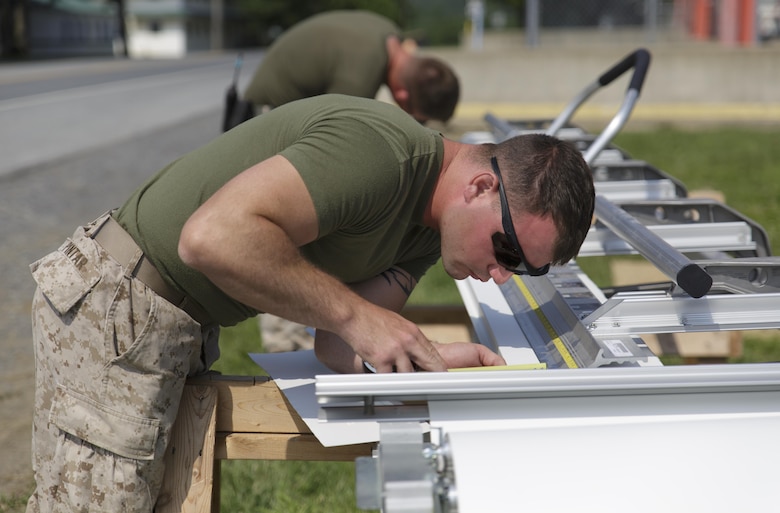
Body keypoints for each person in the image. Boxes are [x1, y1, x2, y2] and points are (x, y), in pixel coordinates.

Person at [27, 94, 595, 511]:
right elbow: (210, 238)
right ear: (480, 187)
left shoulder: (427, 235)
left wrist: (427, 357)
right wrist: (358, 315)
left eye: (521, 267)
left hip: (172, 322)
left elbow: (336, 344)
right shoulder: (381, 153)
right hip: (119, 302)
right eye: (506, 248)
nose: (499, 274)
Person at [228, 10, 460, 129]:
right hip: (262, 114)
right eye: (418, 119)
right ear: (402, 97)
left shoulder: (389, 33)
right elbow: (336, 140)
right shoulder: (359, 78)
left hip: (278, 103)